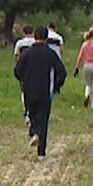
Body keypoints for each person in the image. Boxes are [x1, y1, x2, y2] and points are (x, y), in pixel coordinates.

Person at [13, 26, 67, 159]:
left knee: (31, 114)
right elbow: (62, 72)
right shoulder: (50, 53)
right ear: (46, 38)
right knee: (43, 118)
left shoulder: (27, 53)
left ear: (35, 37)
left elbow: (17, 71)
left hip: (29, 90)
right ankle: (41, 152)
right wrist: (56, 86)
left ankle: (34, 131)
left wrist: (24, 80)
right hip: (44, 89)